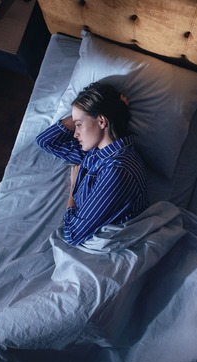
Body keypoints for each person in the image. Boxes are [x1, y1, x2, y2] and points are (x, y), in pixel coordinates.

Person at [36, 82, 149, 246]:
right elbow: (46, 141)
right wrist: (85, 113)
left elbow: (72, 234)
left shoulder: (117, 170)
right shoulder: (96, 152)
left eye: (79, 125)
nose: (75, 134)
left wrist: (73, 189)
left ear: (102, 121)